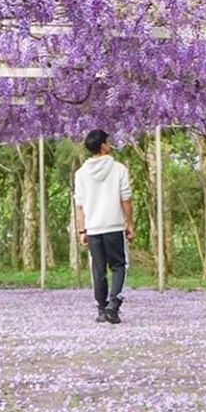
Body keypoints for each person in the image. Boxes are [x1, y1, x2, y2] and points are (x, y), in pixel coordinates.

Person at [74, 129, 134, 324]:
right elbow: (126, 199)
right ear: (102, 146)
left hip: (93, 228)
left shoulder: (81, 174)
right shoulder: (118, 169)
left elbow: (79, 205)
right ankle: (113, 306)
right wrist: (129, 222)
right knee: (119, 266)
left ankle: (101, 309)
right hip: (114, 226)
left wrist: (82, 230)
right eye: (108, 142)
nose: (110, 145)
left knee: (98, 269)